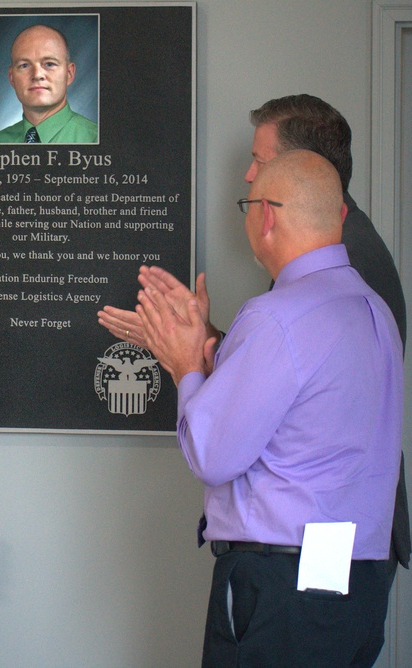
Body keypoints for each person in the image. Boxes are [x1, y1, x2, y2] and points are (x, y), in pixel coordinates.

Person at [97, 94, 410, 577]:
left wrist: (187, 365)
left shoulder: (317, 282)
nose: (247, 175)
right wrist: (203, 339)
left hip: (296, 566)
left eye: (259, 163)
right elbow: (307, 383)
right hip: (336, 561)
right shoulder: (348, 283)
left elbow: (214, 453)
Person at [138, 150, 403, 666]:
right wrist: (217, 358)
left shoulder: (276, 316)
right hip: (360, 584)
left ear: (265, 216)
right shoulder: (374, 311)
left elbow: (212, 456)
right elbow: (307, 421)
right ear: (341, 217)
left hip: (281, 589)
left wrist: (184, 366)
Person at [0, 24, 97, 144]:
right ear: (12, 78)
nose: (37, 75)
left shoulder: (95, 140)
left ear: (69, 74)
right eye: (24, 65)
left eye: (49, 64)